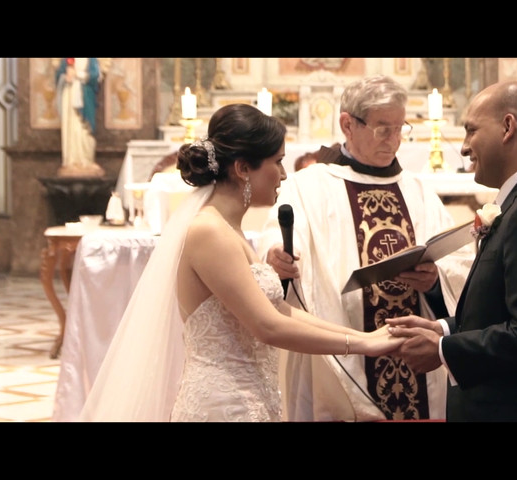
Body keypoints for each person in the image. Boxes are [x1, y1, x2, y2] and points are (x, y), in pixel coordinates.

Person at [78, 103, 404, 422]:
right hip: (224, 405)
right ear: (243, 168)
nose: (284, 174)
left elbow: (278, 309)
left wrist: (367, 337)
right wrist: (362, 345)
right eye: (277, 162)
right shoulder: (209, 231)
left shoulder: (229, 229)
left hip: (250, 398)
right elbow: (267, 326)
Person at [257, 75, 468, 422]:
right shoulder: (309, 186)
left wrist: (433, 281)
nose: (395, 140)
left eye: (401, 128)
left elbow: (457, 266)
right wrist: (277, 257)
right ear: (347, 124)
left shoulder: (417, 190)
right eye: (383, 128)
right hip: (341, 353)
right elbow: (277, 240)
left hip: (415, 359)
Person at [386, 81, 517, 422]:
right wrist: (444, 329)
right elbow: (505, 313)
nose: (464, 148)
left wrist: (442, 350)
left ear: (508, 127)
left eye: (471, 131)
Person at [54, 57, 104, 177]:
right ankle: (71, 161)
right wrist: (65, 77)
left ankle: (86, 160)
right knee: (70, 126)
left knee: (84, 129)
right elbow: (58, 76)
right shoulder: (67, 59)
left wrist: (79, 75)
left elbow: (95, 76)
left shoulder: (91, 59)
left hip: (85, 96)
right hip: (69, 95)